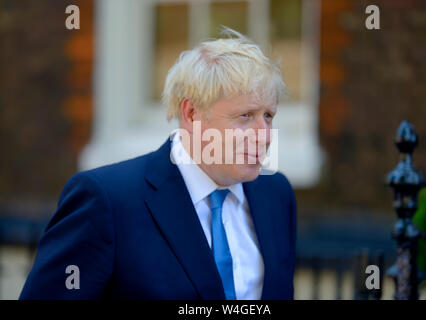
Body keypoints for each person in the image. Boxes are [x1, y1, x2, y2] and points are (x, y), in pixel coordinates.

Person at [19, 27, 297, 300]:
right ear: (191, 113)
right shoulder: (107, 200)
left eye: (268, 116)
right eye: (246, 115)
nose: (264, 135)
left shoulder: (275, 194)